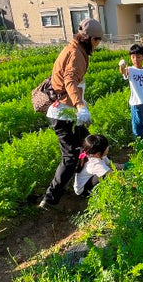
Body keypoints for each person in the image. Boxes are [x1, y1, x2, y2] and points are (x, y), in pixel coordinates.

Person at [39, 18, 103, 211]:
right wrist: (80, 105)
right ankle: (50, 200)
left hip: (70, 113)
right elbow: (70, 81)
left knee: (89, 144)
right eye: (98, 40)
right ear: (90, 38)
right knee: (71, 157)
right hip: (62, 114)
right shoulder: (76, 53)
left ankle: (97, 172)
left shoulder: (76, 49)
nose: (98, 44)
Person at [119, 44, 143, 139]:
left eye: (138, 57)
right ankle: (138, 141)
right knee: (137, 123)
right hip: (136, 102)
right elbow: (123, 72)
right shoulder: (130, 70)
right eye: (133, 57)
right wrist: (121, 66)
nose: (136, 59)